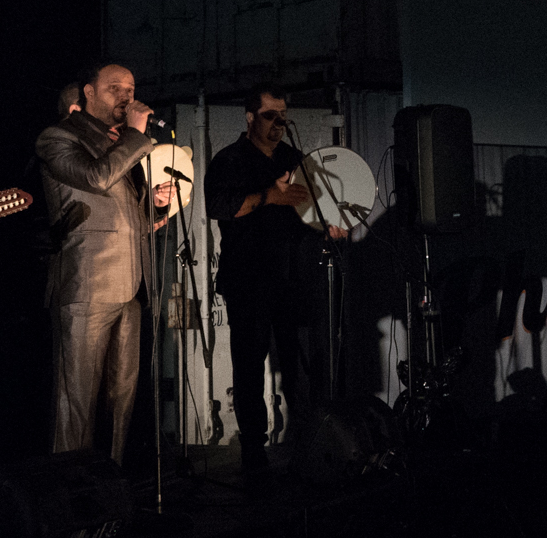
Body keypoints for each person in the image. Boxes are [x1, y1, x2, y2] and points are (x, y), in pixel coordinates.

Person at [204, 82, 345, 484]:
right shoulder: (230, 159)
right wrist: (268, 196)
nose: (279, 123)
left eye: (284, 117)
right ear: (250, 117)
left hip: (291, 277)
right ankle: (253, 450)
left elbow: (314, 210)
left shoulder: (294, 158)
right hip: (248, 278)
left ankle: (305, 442)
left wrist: (329, 227)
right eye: (270, 116)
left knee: (298, 366)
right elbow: (218, 206)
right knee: (248, 365)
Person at [35, 62, 174, 464]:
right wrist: (134, 136)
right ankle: (71, 499)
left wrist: (153, 205)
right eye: (115, 88)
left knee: (122, 399)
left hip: (131, 285)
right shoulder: (59, 137)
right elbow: (96, 179)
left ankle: (111, 491)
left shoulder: (121, 144)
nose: (127, 96)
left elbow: (124, 216)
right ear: (89, 94)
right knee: (76, 400)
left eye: (131, 88)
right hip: (87, 285)